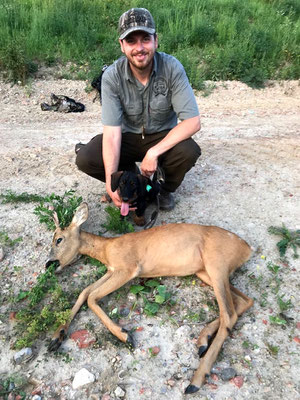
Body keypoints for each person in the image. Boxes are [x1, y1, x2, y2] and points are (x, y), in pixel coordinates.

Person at [75, 8, 201, 211]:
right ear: (122, 46)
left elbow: (193, 122)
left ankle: (163, 189)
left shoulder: (172, 68)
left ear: (156, 41)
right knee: (86, 158)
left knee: (188, 151)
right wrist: (110, 182)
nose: (139, 48)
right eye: (131, 41)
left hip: (161, 136)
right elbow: (112, 134)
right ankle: (127, 177)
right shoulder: (112, 77)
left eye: (145, 39)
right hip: (127, 137)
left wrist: (153, 152)